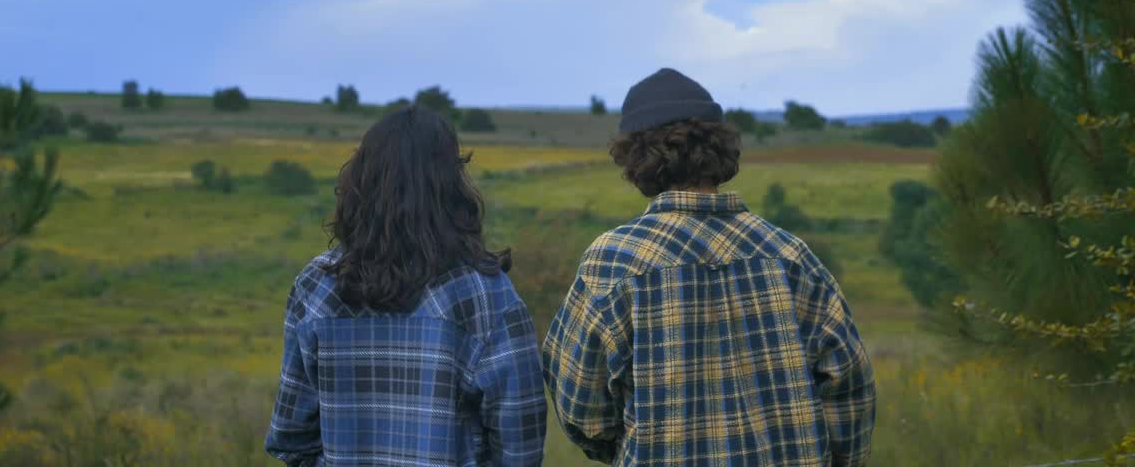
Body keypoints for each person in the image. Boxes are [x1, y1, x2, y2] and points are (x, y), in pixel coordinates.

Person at [542, 68, 876, 466]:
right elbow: (850, 388)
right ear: (719, 147)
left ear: (635, 159)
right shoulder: (791, 257)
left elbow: (581, 406)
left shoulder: (613, 261)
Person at [265, 105, 547, 466]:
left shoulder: (315, 287)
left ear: (360, 182)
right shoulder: (485, 295)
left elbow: (291, 438)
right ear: (452, 187)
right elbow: (520, 449)